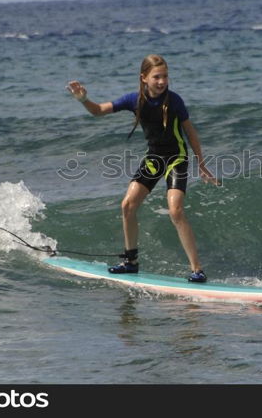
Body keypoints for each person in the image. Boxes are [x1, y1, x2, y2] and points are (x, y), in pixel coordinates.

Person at [66, 54, 218, 283]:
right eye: (157, 77)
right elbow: (97, 110)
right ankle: (131, 262)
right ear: (144, 78)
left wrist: (202, 164)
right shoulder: (134, 100)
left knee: (176, 210)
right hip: (153, 160)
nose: (162, 81)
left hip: (176, 159)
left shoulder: (174, 101)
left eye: (165, 76)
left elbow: (191, 132)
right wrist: (83, 99)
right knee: (127, 205)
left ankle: (197, 269)